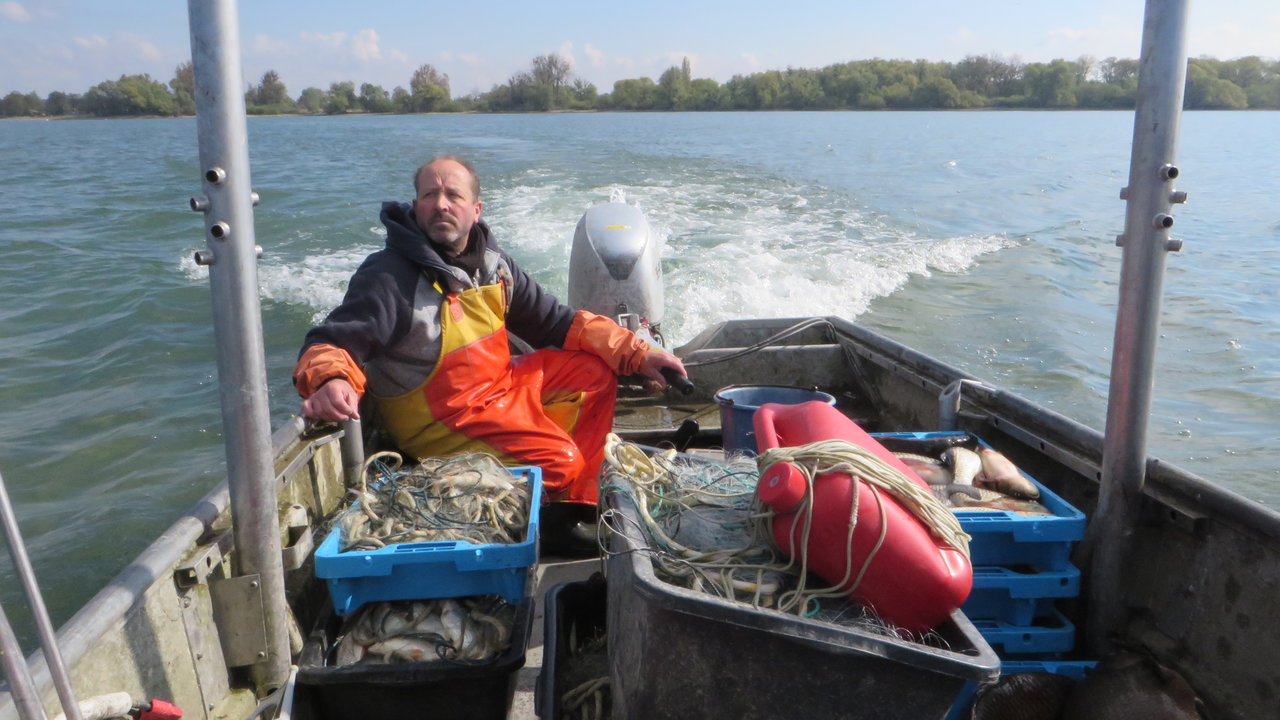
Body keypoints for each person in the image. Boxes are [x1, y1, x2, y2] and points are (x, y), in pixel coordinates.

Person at [293, 155, 685, 553]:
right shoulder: (389, 278)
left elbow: (558, 322)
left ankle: (572, 508)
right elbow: (333, 341)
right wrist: (331, 378)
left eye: (453, 195)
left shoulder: (494, 267)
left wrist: (638, 353)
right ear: (416, 207)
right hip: (443, 421)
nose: (441, 204)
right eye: (429, 195)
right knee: (561, 461)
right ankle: (544, 512)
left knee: (593, 371)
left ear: (475, 210)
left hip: (498, 388)